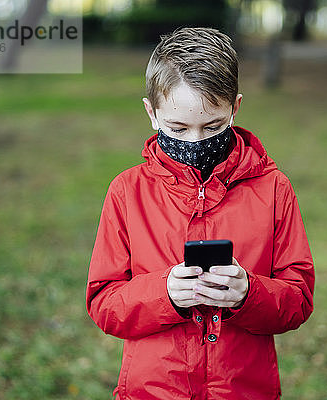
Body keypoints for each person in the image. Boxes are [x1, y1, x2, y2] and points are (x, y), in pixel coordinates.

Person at [86, 27, 315, 400]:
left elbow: (298, 299)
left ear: (235, 108)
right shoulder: (127, 192)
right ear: (152, 113)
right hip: (153, 391)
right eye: (178, 127)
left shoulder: (274, 189)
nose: (195, 142)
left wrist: (249, 294)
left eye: (213, 126)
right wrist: (164, 294)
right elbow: (103, 303)